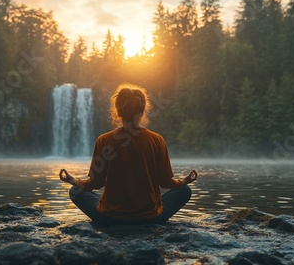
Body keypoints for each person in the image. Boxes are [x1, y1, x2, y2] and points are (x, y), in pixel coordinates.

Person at [59, 83, 197, 225]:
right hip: (150, 218)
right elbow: (165, 182)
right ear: (143, 111)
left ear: (118, 111)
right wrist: (184, 181)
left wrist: (72, 180)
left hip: (109, 217)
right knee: (184, 190)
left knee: (75, 191)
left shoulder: (104, 140)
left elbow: (95, 183)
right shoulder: (157, 140)